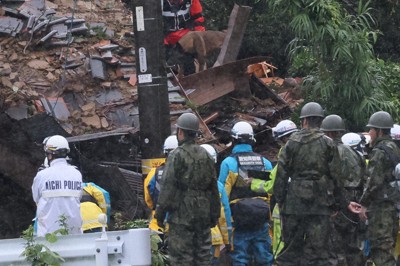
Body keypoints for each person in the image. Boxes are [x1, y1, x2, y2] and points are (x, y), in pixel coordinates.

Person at [273, 102, 361, 266]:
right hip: (320, 204)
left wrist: (281, 202)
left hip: (294, 204)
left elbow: (281, 177)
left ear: (304, 120)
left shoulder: (290, 143)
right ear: (320, 121)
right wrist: (342, 204)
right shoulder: (328, 143)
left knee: (290, 252)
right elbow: (336, 178)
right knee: (319, 252)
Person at [154, 113, 220, 266]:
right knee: (203, 257)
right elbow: (213, 188)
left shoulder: (176, 155)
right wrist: (214, 214)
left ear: (181, 132)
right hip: (203, 216)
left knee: (181, 259)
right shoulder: (206, 155)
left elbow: (168, 187)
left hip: (181, 217)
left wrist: (160, 213)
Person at [218, 121, 274, 266]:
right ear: (252, 139)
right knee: (265, 258)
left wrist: (227, 227)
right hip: (261, 220)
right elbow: (270, 193)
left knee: (240, 259)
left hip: (239, 222)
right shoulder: (266, 163)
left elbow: (222, 197)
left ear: (234, 140)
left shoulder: (228, 164)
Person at [248, 119, 298, 257]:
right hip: (305, 208)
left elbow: (273, 185)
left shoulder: (286, 152)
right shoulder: (306, 151)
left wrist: (253, 183)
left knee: (281, 247)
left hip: (285, 209)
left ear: (284, 138)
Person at [320, 115, 366, 266]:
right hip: (356, 200)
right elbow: (364, 177)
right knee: (354, 245)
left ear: (329, 133)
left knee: (335, 246)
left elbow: (329, 181)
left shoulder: (328, 153)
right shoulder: (356, 153)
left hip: (339, 201)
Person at [359, 111, 400, 266]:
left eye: (372, 129)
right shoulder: (393, 148)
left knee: (381, 251)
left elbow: (373, 181)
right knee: (388, 248)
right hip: (392, 206)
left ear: (380, 131)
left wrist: (363, 204)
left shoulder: (380, 151)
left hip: (380, 209)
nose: (369, 133)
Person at [32, 135, 83, 237]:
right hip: (74, 236)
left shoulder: (42, 175)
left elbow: (36, 198)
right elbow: (79, 198)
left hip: (48, 237)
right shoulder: (77, 174)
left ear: (50, 154)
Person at [200, 144, 233, 265]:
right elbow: (224, 216)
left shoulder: (182, 183)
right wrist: (228, 240)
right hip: (212, 239)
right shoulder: (218, 186)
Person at [144, 135, 178, 232]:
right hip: (179, 226)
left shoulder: (153, 173)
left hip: (158, 225)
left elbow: (148, 200)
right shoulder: (186, 172)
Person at [162, 0, 205, 75]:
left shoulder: (192, 1)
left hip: (185, 37)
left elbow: (198, 20)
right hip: (165, 38)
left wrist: (200, 40)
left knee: (189, 64)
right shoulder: (157, 3)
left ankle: (190, 81)